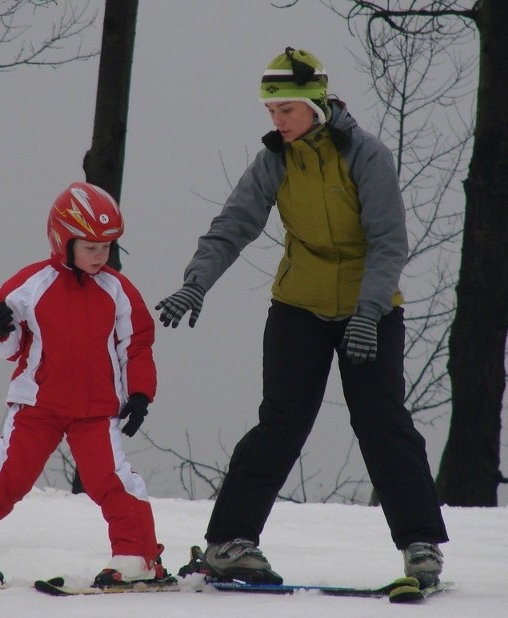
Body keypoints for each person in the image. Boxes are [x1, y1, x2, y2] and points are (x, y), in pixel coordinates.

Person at [156, 48, 448, 588]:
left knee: (383, 423)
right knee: (282, 423)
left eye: (285, 110)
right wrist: (195, 282)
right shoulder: (275, 160)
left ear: (315, 104)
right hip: (298, 308)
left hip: (371, 307)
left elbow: (388, 243)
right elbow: (233, 225)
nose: (277, 122)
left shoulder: (366, 154)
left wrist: (368, 311)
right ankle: (228, 542)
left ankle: (421, 545)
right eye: (271, 113)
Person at [0, 182, 172, 587]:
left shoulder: (119, 291)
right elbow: (3, 346)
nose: (99, 256)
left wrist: (140, 394)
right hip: (37, 406)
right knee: (5, 477)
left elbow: (137, 346)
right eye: (89, 247)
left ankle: (136, 557)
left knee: (113, 481)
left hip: (95, 412)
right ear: (63, 240)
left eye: (107, 247)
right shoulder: (30, 284)